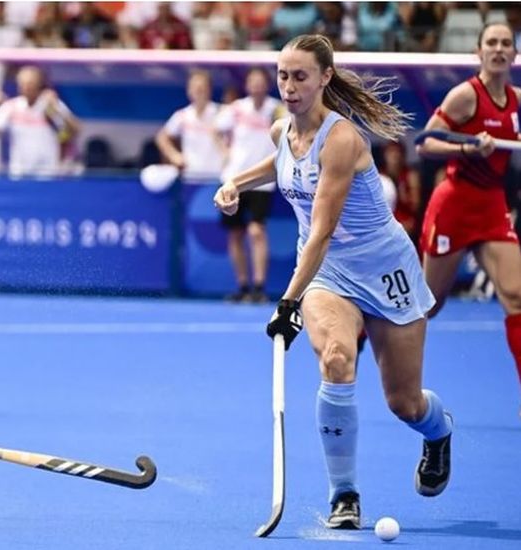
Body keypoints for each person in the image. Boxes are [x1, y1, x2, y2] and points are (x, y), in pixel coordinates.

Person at [214, 34, 453, 530]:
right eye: (283, 75)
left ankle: (438, 432)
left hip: (385, 269)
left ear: (325, 77)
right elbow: (279, 166)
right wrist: (237, 182)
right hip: (329, 273)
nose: (289, 85)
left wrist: (286, 301)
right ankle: (344, 494)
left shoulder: (343, 139)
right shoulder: (282, 130)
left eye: (300, 76)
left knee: (404, 403)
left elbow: (321, 230)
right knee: (337, 360)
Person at [416, 22, 521, 403]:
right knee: (428, 304)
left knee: (517, 296)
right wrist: (467, 149)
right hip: (455, 204)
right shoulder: (464, 96)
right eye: (491, 43)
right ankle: (367, 336)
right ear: (479, 52)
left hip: (491, 205)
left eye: (505, 43)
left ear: (513, 54)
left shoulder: (517, 100)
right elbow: (426, 144)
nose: (498, 49)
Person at [215, 68, 285, 303]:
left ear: (267, 85)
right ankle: (243, 285)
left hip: (261, 182)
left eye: (260, 82)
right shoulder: (235, 109)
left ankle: (259, 287)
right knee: (235, 234)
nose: (256, 86)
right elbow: (216, 130)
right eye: (252, 82)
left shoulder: (277, 109)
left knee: (256, 231)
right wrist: (225, 152)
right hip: (234, 179)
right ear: (247, 85)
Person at [0, 65, 81, 177]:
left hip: (47, 173)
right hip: (19, 174)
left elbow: (76, 130)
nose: (26, 88)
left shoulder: (49, 104)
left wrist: (58, 110)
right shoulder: (11, 107)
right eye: (22, 84)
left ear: (39, 85)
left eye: (30, 84)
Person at [154, 70, 226, 181]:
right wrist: (174, 156)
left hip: (216, 175)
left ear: (209, 90)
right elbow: (161, 137)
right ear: (189, 90)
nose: (198, 91)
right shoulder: (182, 116)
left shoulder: (221, 112)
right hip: (190, 175)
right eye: (195, 88)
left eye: (202, 88)